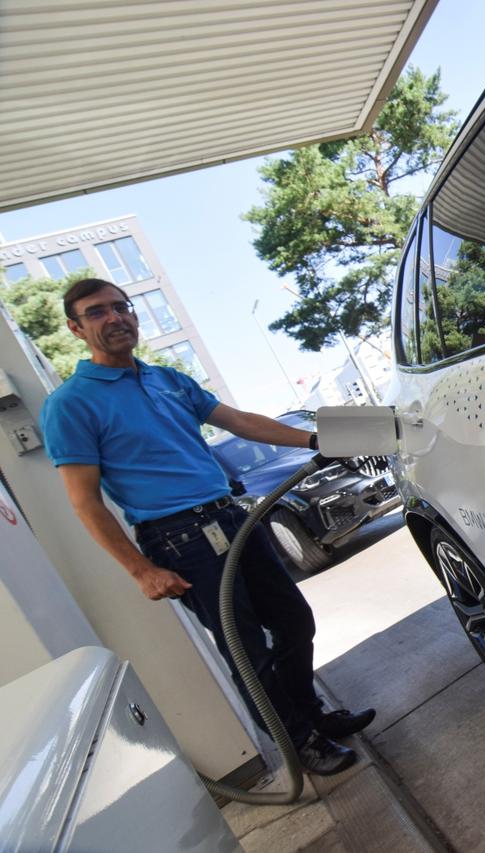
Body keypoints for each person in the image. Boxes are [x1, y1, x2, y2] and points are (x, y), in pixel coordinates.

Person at [40, 278, 374, 776]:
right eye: (96, 313)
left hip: (230, 517)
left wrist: (313, 439)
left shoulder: (167, 379)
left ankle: (310, 717)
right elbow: (86, 504)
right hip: (179, 539)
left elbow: (241, 421)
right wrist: (141, 571)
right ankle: (298, 742)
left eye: (121, 307)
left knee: (293, 621)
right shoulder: (70, 404)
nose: (114, 318)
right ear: (75, 328)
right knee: (246, 647)